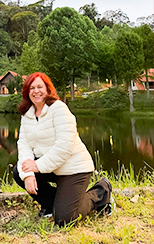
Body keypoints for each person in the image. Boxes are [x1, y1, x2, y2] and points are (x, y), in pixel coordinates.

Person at [12, 72, 114, 226]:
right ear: (27, 92)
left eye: (40, 86)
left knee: (64, 220)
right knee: (19, 172)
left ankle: (101, 191)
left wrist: (37, 166)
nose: (36, 91)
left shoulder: (59, 108)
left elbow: (64, 146)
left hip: (74, 168)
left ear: (47, 89)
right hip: (52, 167)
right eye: (31, 88)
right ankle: (50, 205)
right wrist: (28, 175)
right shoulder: (27, 114)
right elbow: (24, 144)